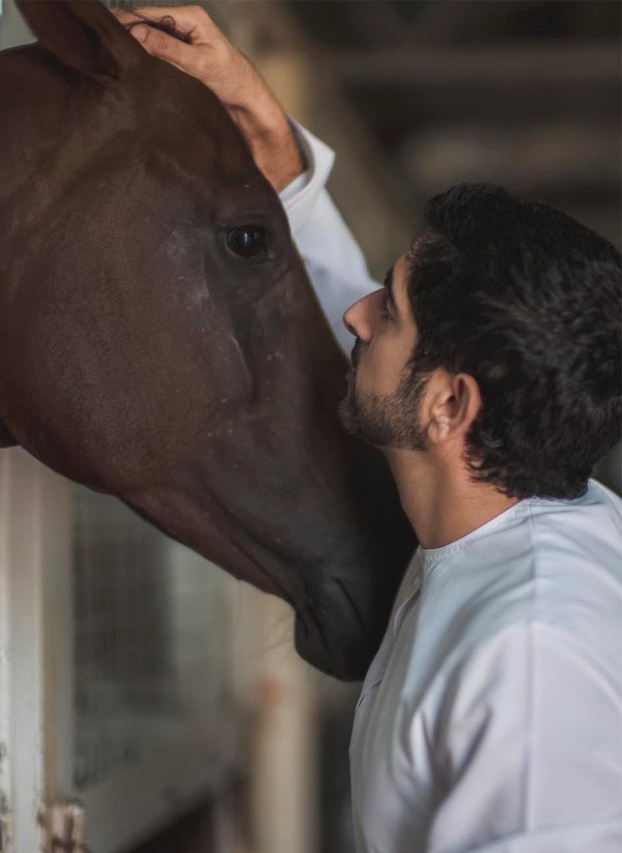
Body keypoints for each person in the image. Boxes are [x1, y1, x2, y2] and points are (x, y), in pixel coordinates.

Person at [119, 6, 622, 851]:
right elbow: (349, 314)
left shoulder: (533, 651)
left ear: (451, 406)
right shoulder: (519, 517)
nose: (354, 314)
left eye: (386, 311)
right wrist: (264, 129)